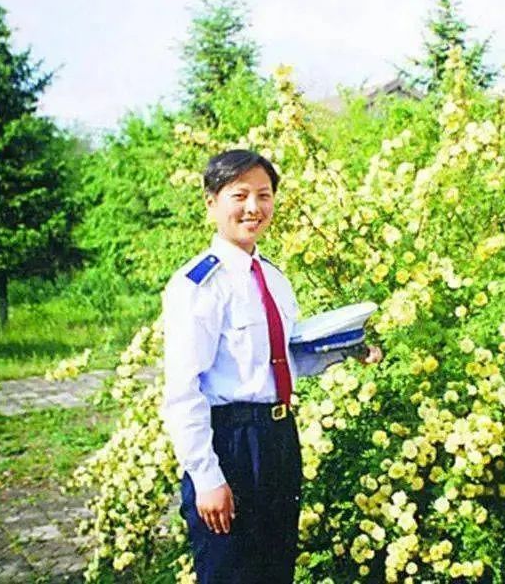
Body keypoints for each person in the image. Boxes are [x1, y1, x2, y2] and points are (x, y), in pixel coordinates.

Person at [162, 149, 382, 584]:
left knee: (275, 569)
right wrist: (206, 476)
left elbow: (282, 359)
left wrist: (347, 350)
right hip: (230, 441)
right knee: (230, 571)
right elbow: (183, 390)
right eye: (239, 195)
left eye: (264, 195)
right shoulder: (198, 286)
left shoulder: (275, 279)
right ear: (211, 202)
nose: (253, 207)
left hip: (279, 438)